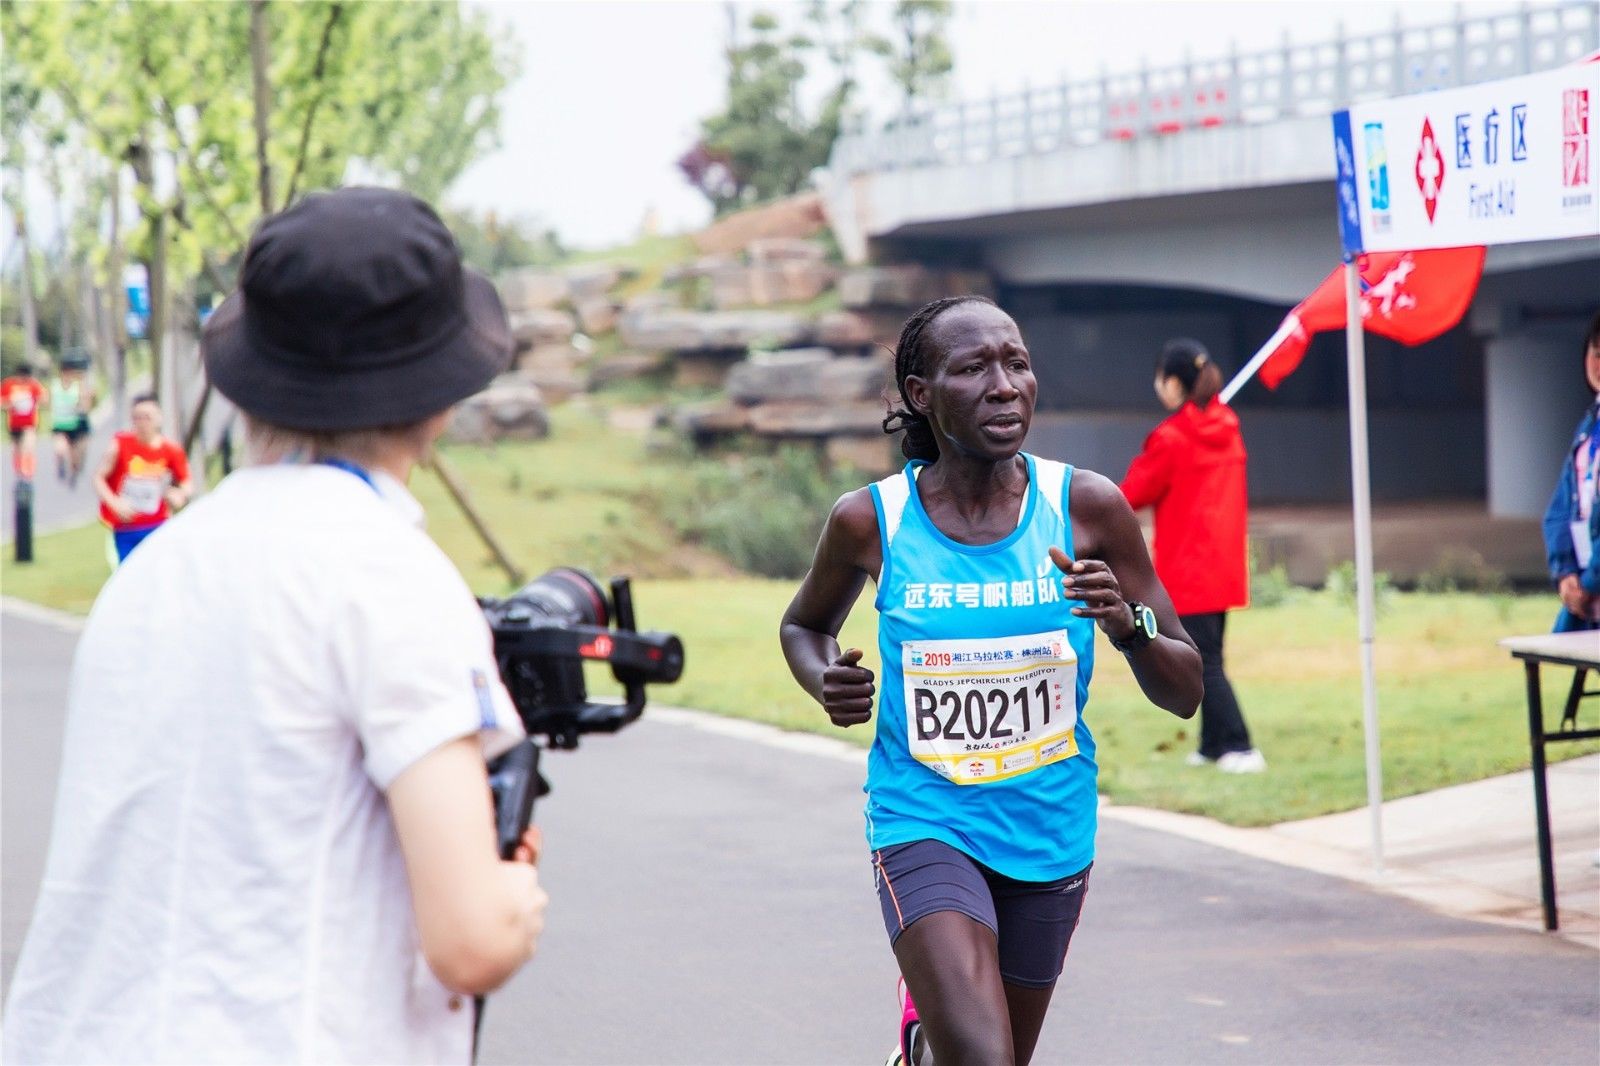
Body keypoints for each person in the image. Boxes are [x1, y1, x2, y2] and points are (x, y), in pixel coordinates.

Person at [3, 187, 547, 1064]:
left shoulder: (154, 574)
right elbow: (471, 940)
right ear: (439, 398)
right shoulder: (387, 572)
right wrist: (516, 892)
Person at [780, 295, 1203, 1066]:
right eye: (973, 368)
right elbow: (804, 625)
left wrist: (1126, 626)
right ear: (921, 393)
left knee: (991, 1052)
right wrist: (824, 680)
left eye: (1016, 363)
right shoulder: (872, 520)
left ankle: (917, 1048)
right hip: (925, 817)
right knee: (983, 1060)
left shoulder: (1086, 507)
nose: (1005, 385)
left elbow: (1185, 688)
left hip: (1049, 829)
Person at [1120, 338, 1265, 774]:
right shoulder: (1229, 425)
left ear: (1175, 383)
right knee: (1207, 657)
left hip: (1189, 569)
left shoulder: (1172, 438)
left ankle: (1239, 746)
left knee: (1206, 663)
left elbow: (1133, 493)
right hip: (1223, 568)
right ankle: (1212, 746)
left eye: (1161, 376)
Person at [1542, 310, 1600, 633]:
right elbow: (1560, 509)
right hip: (1587, 596)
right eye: (1596, 354)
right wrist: (1566, 575)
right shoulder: (1589, 427)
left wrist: (1590, 579)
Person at [92, 393, 195, 563]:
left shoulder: (171, 450)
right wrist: (114, 503)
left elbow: (187, 482)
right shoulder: (119, 444)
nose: (142, 423)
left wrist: (180, 495)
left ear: (159, 419)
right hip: (126, 526)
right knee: (127, 576)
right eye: (136, 418)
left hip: (158, 524)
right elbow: (98, 477)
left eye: (147, 417)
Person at [49, 349, 96, 486]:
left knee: (75, 455)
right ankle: (61, 466)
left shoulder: (79, 386)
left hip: (75, 424)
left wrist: (83, 403)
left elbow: (85, 404)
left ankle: (74, 472)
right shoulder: (55, 386)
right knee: (60, 448)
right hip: (60, 424)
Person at [1, 360, 45, 480]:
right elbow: (2, 403)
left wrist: (36, 402)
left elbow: (44, 399)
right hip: (14, 425)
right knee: (17, 450)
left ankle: (28, 473)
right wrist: (11, 404)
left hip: (29, 424)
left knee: (28, 447)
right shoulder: (9, 385)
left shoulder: (33, 385)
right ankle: (19, 473)